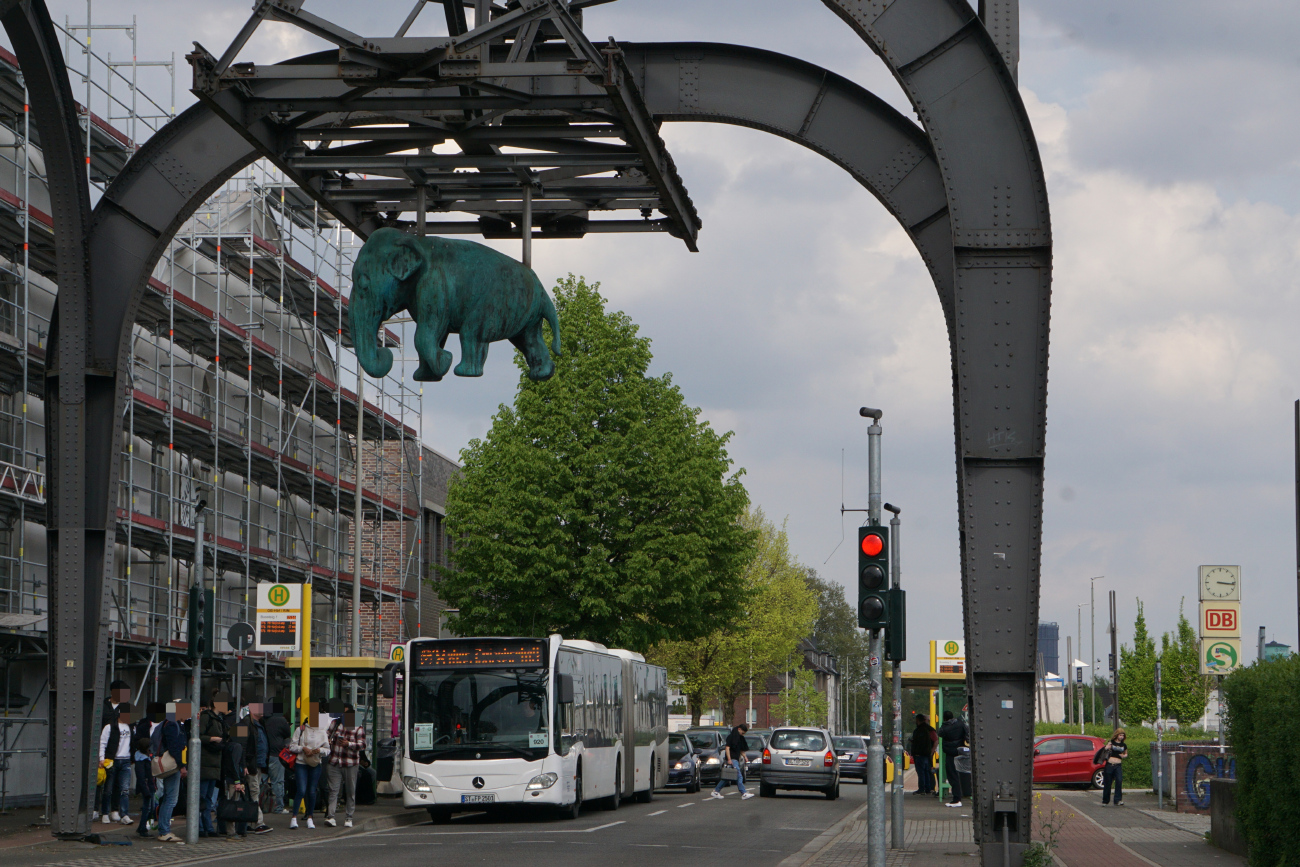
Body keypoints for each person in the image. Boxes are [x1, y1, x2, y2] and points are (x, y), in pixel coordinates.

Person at [324, 703, 367, 828]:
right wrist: (328, 741)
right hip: (334, 762)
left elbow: (363, 745)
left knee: (350, 791)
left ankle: (349, 817)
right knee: (333, 790)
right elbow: (326, 735)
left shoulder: (358, 728)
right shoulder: (335, 724)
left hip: (350, 763)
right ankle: (331, 816)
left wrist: (349, 744)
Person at [288, 704, 331, 829]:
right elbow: (292, 747)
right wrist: (303, 748)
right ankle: (294, 817)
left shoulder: (322, 732)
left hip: (315, 763)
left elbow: (327, 750)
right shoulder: (300, 730)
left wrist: (320, 750)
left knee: (312, 791)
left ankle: (310, 817)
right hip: (301, 763)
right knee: (301, 790)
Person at [153, 700, 188, 844]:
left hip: (173, 765)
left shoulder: (171, 723)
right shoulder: (172, 724)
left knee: (168, 798)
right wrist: (182, 765)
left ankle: (164, 829)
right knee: (171, 799)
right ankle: (164, 830)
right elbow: (174, 747)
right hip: (172, 765)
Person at [198, 694, 229, 838]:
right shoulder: (207, 717)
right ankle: (200, 826)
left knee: (209, 797)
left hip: (215, 762)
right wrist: (212, 739)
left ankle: (207, 826)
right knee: (203, 797)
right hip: (206, 762)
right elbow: (198, 736)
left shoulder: (219, 720)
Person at [98, 699, 134, 825]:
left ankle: (123, 814)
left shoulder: (131, 727)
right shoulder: (109, 727)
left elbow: (133, 743)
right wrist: (101, 758)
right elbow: (102, 743)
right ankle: (105, 813)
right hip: (111, 760)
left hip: (126, 760)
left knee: (124, 789)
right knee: (108, 789)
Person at [242, 704, 273, 834]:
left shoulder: (261, 723)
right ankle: (258, 822)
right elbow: (240, 744)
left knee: (254, 792)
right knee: (254, 792)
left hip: (258, 764)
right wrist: (243, 764)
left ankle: (250, 822)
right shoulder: (244, 724)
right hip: (250, 765)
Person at [132, 704, 162, 837]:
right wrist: (147, 790)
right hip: (147, 788)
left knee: (148, 808)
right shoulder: (142, 761)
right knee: (147, 808)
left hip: (149, 787)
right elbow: (142, 776)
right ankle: (142, 828)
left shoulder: (143, 759)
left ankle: (143, 827)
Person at [709, 722, 756, 801]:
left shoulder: (738, 738)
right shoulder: (731, 737)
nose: (743, 735)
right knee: (739, 776)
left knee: (728, 777)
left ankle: (716, 791)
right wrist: (729, 759)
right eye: (742, 733)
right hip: (732, 759)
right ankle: (743, 793)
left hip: (735, 759)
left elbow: (739, 750)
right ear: (739, 729)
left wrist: (745, 756)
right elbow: (727, 748)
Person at [264, 703, 292, 813]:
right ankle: (278, 807)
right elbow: (287, 734)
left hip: (264, 755)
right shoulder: (281, 720)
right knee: (278, 782)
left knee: (262, 782)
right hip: (277, 754)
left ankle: (263, 805)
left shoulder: (262, 720)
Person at [937, 710, 968, 808]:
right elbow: (967, 732)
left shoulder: (944, 728)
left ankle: (956, 799)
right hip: (961, 752)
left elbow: (940, 733)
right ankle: (963, 794)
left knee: (952, 775)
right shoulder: (960, 723)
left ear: (945, 718)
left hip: (950, 754)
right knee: (962, 774)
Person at [909, 714, 938, 795]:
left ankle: (922, 789)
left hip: (920, 754)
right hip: (926, 754)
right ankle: (928, 788)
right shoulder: (929, 729)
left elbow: (935, 741)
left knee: (921, 772)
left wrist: (931, 751)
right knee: (927, 771)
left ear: (918, 720)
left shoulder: (920, 730)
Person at [1101, 729, 1128, 807]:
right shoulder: (1111, 742)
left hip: (1118, 765)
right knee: (1108, 783)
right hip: (1110, 764)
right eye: (1120, 735)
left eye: (1123, 735)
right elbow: (1105, 749)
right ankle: (1105, 800)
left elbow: (1126, 753)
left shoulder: (1123, 745)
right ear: (1117, 735)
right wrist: (1107, 747)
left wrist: (1124, 756)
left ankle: (1118, 800)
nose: (1121, 737)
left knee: (1119, 781)